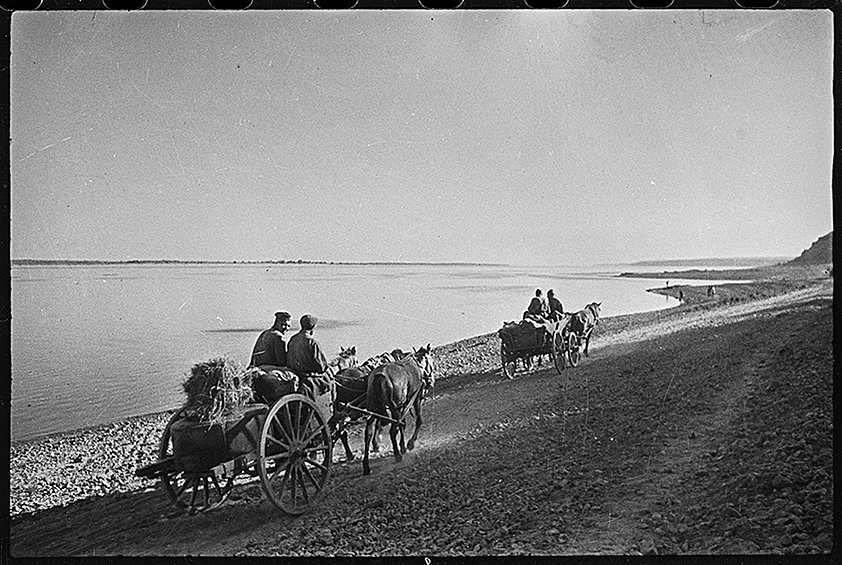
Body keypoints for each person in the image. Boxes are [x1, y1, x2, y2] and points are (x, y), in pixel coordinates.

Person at [286, 314, 330, 400]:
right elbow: (321, 366)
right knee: (330, 382)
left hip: (293, 373)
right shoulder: (312, 342)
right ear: (313, 328)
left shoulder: (293, 339)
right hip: (306, 377)